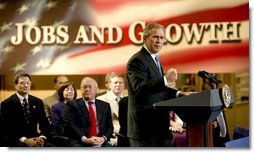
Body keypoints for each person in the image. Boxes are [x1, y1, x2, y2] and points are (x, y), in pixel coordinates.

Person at [126, 22, 190, 147]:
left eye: (161, 38)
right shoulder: (137, 60)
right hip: (145, 130)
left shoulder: (154, 58)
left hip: (159, 128)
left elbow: (159, 90)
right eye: (155, 37)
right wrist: (166, 78)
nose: (159, 41)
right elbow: (140, 88)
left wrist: (179, 94)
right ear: (144, 39)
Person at [0, 73, 53, 147]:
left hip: (35, 138)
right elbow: (6, 127)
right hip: (15, 139)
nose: (26, 85)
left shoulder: (37, 101)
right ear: (15, 85)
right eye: (22, 83)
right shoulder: (7, 103)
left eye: (28, 83)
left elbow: (45, 124)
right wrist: (25, 140)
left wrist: (42, 137)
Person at [63, 77, 113, 147]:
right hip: (80, 141)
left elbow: (110, 127)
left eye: (90, 87)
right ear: (81, 89)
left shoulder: (105, 105)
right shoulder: (72, 104)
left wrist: (103, 138)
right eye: (84, 87)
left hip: (100, 141)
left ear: (96, 90)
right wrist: (84, 139)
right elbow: (70, 125)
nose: (87, 89)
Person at [97, 73, 125, 146]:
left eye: (120, 82)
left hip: (126, 137)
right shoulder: (100, 100)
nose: (118, 85)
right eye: (115, 82)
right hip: (109, 138)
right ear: (109, 85)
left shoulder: (128, 100)